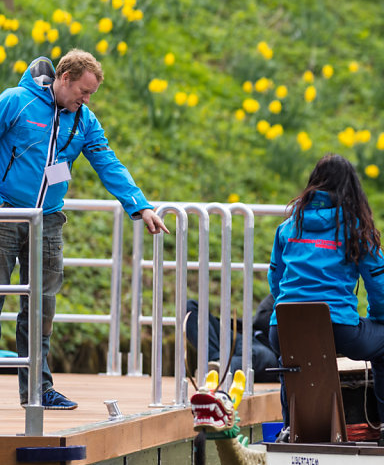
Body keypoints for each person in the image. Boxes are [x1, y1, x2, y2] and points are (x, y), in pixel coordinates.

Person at [0, 50, 169, 410]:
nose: (86, 99)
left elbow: (107, 161)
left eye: (91, 94)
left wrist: (139, 204)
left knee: (42, 307)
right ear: (64, 78)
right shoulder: (16, 102)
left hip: (48, 220)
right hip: (5, 215)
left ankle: (38, 391)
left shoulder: (84, 120)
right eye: (83, 91)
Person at [268, 153, 384, 448]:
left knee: (292, 359)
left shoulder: (287, 228)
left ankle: (289, 427)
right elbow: (378, 281)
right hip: (337, 326)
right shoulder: (357, 231)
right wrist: (379, 320)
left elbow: (275, 278)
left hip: (283, 326)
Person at [184, 294, 280, 382]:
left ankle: (219, 370)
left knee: (258, 355)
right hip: (241, 335)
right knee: (190, 307)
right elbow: (260, 318)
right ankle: (216, 362)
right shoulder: (284, 291)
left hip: (266, 349)